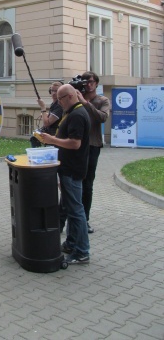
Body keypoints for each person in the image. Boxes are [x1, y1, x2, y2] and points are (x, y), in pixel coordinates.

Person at [41, 84, 91, 265]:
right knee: (70, 208)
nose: (58, 102)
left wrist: (52, 140)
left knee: (76, 211)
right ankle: (71, 244)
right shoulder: (72, 112)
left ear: (70, 96)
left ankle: (82, 252)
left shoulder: (77, 114)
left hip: (72, 169)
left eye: (60, 98)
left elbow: (75, 143)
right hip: (68, 168)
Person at [76, 71, 110, 234]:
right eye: (85, 82)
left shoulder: (102, 100)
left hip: (92, 145)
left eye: (91, 82)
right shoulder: (77, 98)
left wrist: (85, 103)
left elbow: (102, 117)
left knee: (87, 184)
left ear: (96, 83)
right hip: (76, 145)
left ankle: (85, 220)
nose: (88, 85)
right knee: (73, 182)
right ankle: (69, 218)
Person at [30, 81, 63, 147]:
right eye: (52, 90)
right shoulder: (54, 104)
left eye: (56, 91)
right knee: (33, 138)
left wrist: (43, 107)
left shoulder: (59, 105)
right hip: (50, 135)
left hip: (54, 138)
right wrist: (46, 114)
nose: (53, 93)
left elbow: (46, 123)